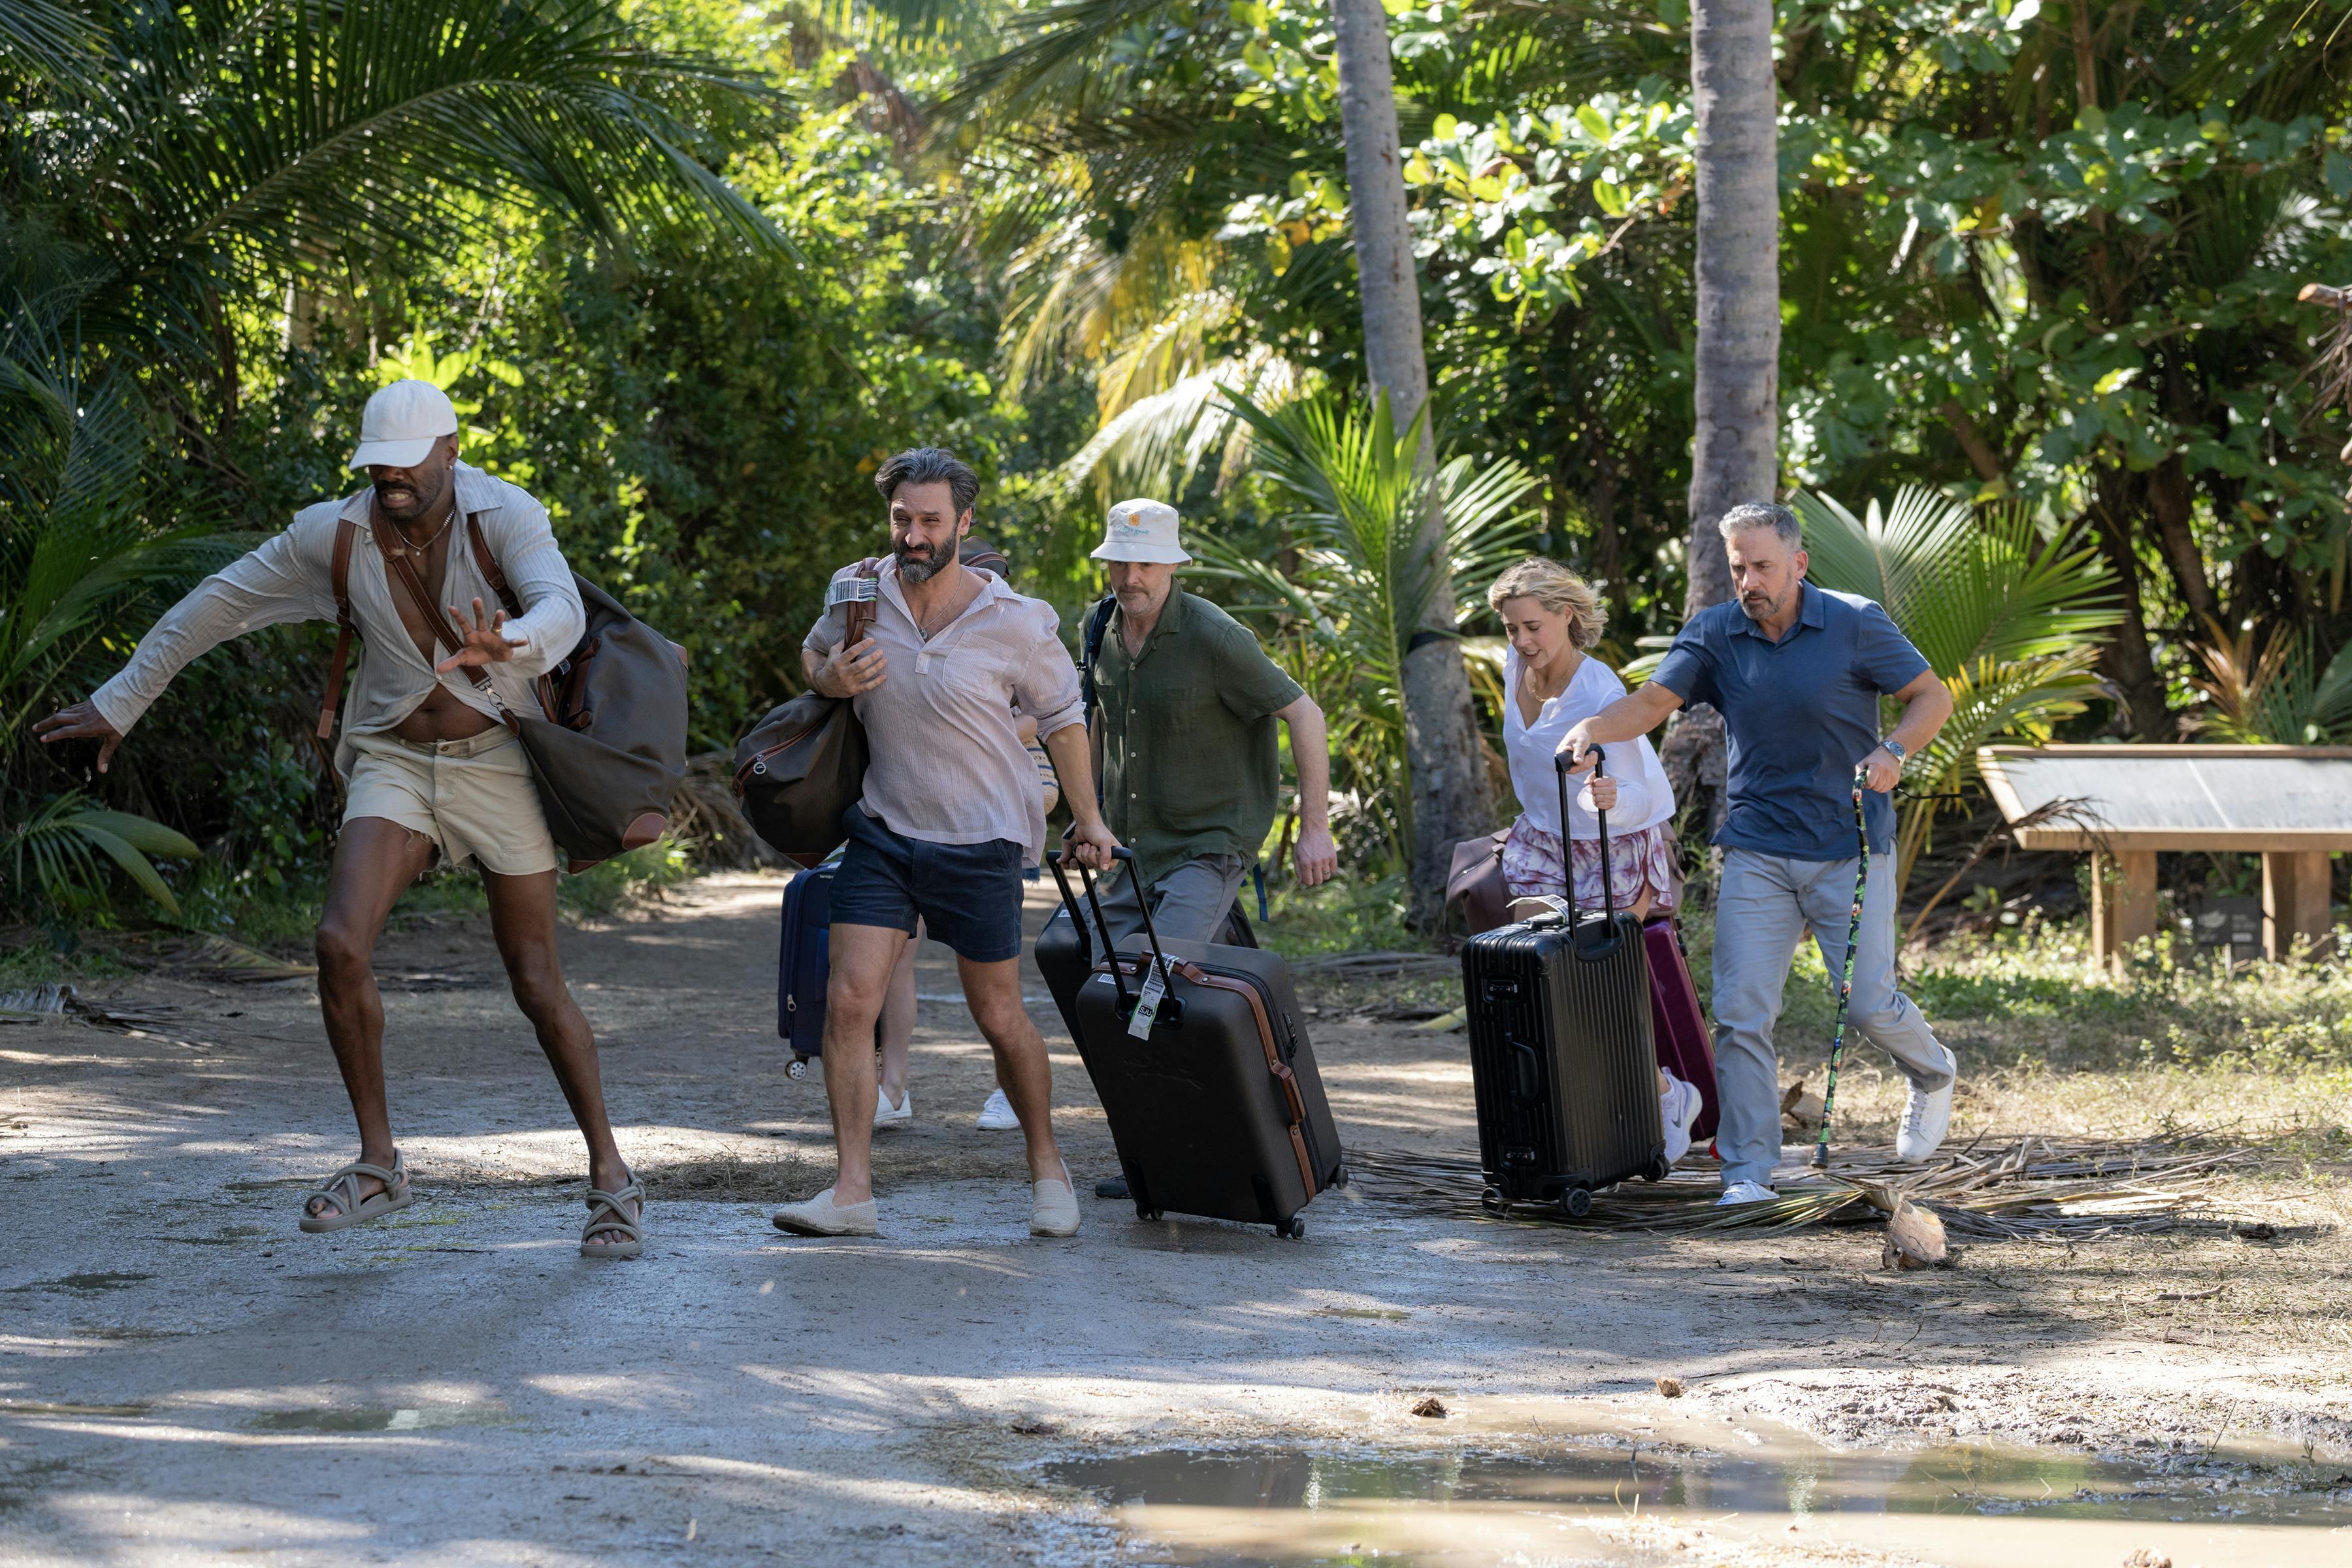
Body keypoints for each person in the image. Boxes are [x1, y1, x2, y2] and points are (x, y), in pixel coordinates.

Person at [33, 380, 646, 1258]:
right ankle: (378, 1163)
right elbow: (218, 603)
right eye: (377, 465)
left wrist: (509, 642)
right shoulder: (336, 534)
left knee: (537, 982)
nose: (391, 478)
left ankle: (612, 1177)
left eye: (409, 464)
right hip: (396, 759)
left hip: (498, 762)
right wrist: (122, 700)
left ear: (451, 452)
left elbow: (562, 605)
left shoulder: (505, 515)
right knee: (338, 943)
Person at [1561, 502, 1958, 1205]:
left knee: (1867, 1005)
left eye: (1763, 566)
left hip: (1849, 844)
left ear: (1798, 564)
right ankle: (1747, 1173)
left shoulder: (1855, 621)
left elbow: (1931, 696)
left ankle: (1932, 1071)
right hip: (1757, 848)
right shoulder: (1716, 632)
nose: (1749, 581)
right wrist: (1592, 727)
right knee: (1743, 1013)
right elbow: (1651, 704)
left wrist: (1894, 750)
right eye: (1738, 567)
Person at [776, 449, 1118, 1239]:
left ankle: (1048, 1168)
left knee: (997, 1013)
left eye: (930, 520)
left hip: (982, 838)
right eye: (902, 518)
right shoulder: (858, 591)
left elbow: (1064, 718)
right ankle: (852, 1193)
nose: (914, 535)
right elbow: (814, 652)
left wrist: (1090, 819)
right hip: (884, 830)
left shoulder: (1017, 620)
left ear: (964, 522)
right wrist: (829, 679)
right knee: (849, 1001)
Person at [1487, 558, 1702, 1163]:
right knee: (1542, 984)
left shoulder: (1599, 692)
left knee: (1594, 991)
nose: (1523, 641)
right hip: (1542, 844)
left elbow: (1644, 797)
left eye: (1534, 627)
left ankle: (1669, 1096)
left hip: (1613, 850)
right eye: (1512, 629)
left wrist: (1606, 797)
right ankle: (1582, 1118)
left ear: (1566, 616)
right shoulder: (1514, 667)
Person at [1085, 497, 1338, 947]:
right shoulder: (1097, 626)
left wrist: (1315, 828)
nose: (1130, 578)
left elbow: (1305, 714)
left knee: (1160, 970)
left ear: (1173, 565)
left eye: (1146, 564)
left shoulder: (1216, 636)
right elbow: (1099, 720)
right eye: (1119, 563)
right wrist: (1086, 814)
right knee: (1093, 964)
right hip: (1128, 845)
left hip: (1206, 844)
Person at [868, 538, 1056, 1135]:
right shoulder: (898, 613)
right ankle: (892, 1086)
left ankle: (1008, 1092)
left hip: (992, 821)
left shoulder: (1013, 626)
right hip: (907, 814)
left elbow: (1049, 716)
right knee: (895, 956)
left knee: (995, 991)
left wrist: (982, 726)